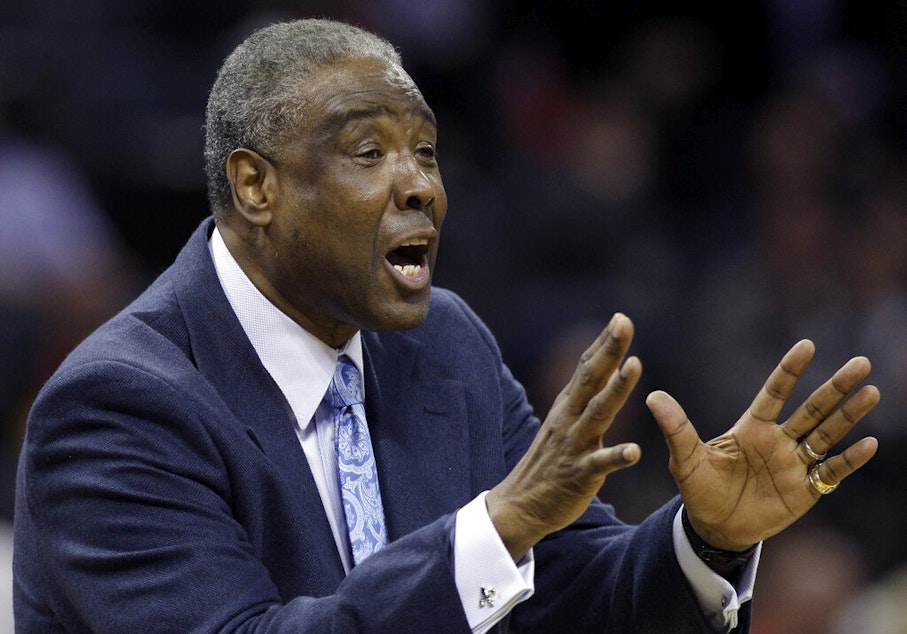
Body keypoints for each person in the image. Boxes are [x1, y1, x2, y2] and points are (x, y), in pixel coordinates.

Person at [13, 18, 880, 633]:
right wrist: (492, 530)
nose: (420, 185)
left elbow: (578, 591)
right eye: (369, 153)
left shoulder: (444, 347)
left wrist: (702, 542)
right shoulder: (119, 405)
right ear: (255, 187)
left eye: (424, 151)